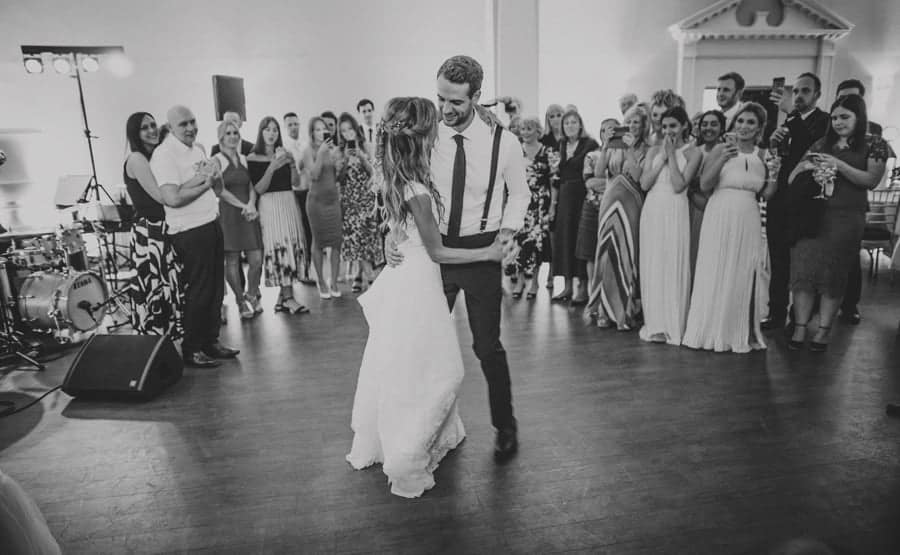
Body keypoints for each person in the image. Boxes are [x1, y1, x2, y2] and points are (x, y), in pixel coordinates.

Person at [346, 96, 505, 498]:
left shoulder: (399, 175)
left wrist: (390, 241)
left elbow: (395, 228)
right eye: (433, 123)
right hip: (419, 278)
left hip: (408, 277)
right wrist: (487, 253)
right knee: (443, 369)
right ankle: (408, 451)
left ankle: (438, 433)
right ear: (420, 136)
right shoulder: (415, 187)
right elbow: (436, 250)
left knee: (411, 361)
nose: (439, 128)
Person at [385, 55, 528, 459]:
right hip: (435, 253)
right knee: (427, 345)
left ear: (477, 97)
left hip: (483, 252)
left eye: (457, 103)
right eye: (441, 99)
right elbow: (402, 183)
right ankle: (430, 427)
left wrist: (509, 230)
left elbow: (519, 193)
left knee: (487, 347)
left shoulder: (505, 142)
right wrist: (392, 232)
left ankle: (505, 425)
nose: (446, 110)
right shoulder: (427, 134)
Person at [787, 95, 889, 352]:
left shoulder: (874, 144)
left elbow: (870, 180)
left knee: (833, 274)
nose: (838, 122)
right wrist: (807, 167)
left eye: (845, 117)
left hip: (846, 219)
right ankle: (799, 328)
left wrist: (839, 165)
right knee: (804, 272)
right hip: (813, 217)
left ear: (859, 117)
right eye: (834, 117)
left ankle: (823, 331)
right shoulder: (822, 142)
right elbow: (792, 178)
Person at [150, 105, 239, 368]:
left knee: (215, 290)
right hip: (188, 231)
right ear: (171, 128)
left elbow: (217, 187)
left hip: (211, 222)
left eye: (193, 122)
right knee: (199, 291)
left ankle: (210, 341)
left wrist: (215, 177)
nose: (190, 128)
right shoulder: (164, 155)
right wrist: (206, 183)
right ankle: (192, 348)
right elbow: (172, 198)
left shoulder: (198, 149)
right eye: (183, 125)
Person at [683, 103, 776, 353]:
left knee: (744, 269)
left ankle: (739, 330)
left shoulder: (763, 155)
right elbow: (704, 185)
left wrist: (775, 175)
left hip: (749, 214)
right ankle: (709, 329)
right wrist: (722, 158)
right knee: (715, 266)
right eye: (740, 121)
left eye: (750, 123)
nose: (744, 126)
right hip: (720, 210)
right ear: (734, 124)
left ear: (759, 128)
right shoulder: (721, 149)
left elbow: (766, 193)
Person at [765, 72, 829, 330]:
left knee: (801, 263)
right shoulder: (788, 121)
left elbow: (811, 150)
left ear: (817, 95)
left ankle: (798, 317)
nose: (799, 95)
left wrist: (791, 113)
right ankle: (775, 312)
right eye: (797, 91)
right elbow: (781, 158)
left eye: (805, 91)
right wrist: (773, 145)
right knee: (777, 260)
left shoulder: (824, 122)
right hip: (779, 199)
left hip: (804, 203)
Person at [638, 106, 701, 345]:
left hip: (675, 209)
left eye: (673, 126)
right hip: (653, 209)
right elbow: (644, 184)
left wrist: (672, 155)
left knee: (672, 262)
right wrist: (661, 157)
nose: (668, 131)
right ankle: (655, 323)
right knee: (653, 263)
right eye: (664, 127)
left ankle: (673, 323)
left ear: (684, 125)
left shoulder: (694, 153)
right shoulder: (654, 149)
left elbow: (678, 185)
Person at [585, 104, 650, 330]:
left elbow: (638, 176)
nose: (632, 126)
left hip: (632, 202)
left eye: (637, 123)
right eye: (629, 122)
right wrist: (605, 146)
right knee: (606, 251)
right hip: (609, 200)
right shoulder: (613, 146)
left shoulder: (647, 149)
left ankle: (627, 307)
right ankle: (604, 307)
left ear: (644, 127)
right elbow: (598, 172)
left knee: (627, 252)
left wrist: (631, 150)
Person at [123, 112, 185, 338]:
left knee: (171, 284)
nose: (151, 130)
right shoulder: (137, 159)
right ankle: (157, 344)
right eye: (144, 128)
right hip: (150, 233)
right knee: (155, 287)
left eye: (152, 125)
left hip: (165, 228)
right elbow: (161, 196)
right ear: (135, 134)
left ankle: (171, 342)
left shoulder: (157, 156)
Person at [247, 117, 309, 313]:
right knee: (279, 247)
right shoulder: (253, 158)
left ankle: (283, 298)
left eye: (275, 130)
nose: (272, 133)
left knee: (292, 244)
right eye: (267, 130)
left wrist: (291, 164)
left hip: (288, 202)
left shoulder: (285, 153)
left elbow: (296, 182)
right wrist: (272, 166)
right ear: (261, 132)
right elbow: (259, 188)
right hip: (270, 205)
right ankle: (289, 298)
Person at [212, 119, 263, 320]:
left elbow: (251, 185)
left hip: (248, 213)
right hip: (229, 214)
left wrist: (250, 204)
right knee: (232, 261)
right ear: (221, 137)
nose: (233, 136)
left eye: (235, 133)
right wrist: (243, 206)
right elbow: (219, 190)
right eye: (228, 133)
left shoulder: (243, 158)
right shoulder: (216, 160)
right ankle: (240, 302)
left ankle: (251, 294)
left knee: (256, 260)